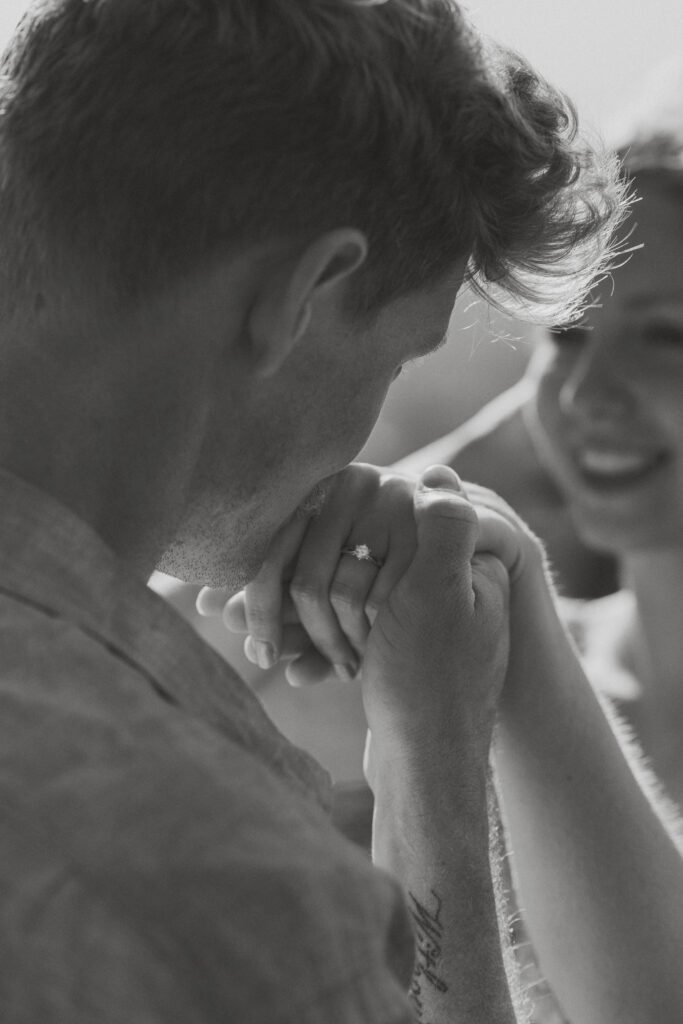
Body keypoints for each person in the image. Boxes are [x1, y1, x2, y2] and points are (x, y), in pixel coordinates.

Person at [0, 1, 633, 1021]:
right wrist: (434, 757)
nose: (372, 436)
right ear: (303, 291)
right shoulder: (212, 874)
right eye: (396, 357)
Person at [210, 58, 683, 1022]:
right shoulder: (471, 646)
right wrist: (452, 491)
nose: (590, 391)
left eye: (670, 338)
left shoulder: (512, 658)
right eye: (573, 336)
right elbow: (141, 644)